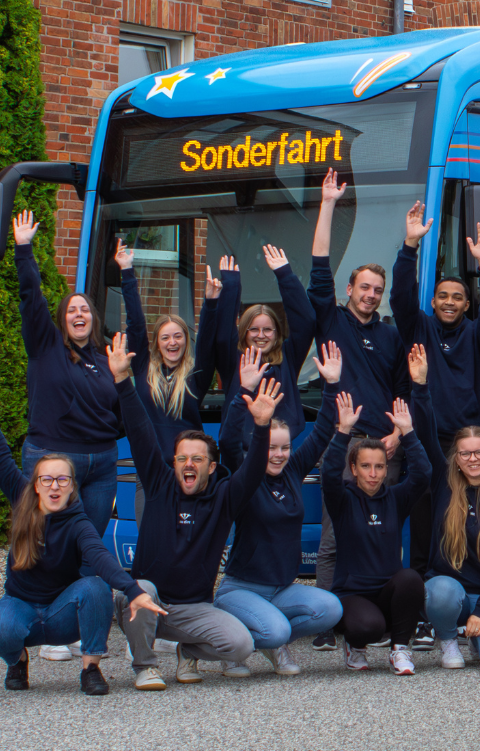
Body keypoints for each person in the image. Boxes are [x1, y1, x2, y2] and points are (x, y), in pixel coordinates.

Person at [0, 368, 164, 695]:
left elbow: (99, 555)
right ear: (36, 486)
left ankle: (90, 669)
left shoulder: (77, 521)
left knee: (94, 586)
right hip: (21, 605)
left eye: (62, 479)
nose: (54, 486)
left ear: (72, 486)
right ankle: (17, 660)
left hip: (63, 614)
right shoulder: (22, 500)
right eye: (47, 479)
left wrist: (133, 590)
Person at [107, 332, 277, 691]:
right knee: (141, 588)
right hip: (147, 598)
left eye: (197, 459)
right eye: (181, 457)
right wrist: (123, 381)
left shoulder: (225, 496)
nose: (188, 463)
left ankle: (189, 650)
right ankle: (146, 666)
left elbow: (253, 471)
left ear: (211, 467)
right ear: (173, 463)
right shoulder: (158, 482)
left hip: (191, 608)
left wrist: (261, 427)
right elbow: (139, 431)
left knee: (241, 644)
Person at [393, 201, 480, 649]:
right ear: (434, 301)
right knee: (425, 521)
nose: (448, 302)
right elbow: (400, 297)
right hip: (424, 441)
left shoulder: (476, 336)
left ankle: (473, 597)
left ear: (465, 304)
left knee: (467, 519)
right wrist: (409, 246)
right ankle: (426, 609)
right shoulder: (417, 326)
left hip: (466, 445)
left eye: (457, 297)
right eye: (442, 296)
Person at [12, 210, 122, 663]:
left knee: (85, 547)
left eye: (85, 309)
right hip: (54, 459)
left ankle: (75, 623)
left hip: (100, 466)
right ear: (61, 321)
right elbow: (30, 297)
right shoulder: (45, 346)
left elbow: (117, 410)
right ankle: (41, 629)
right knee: (41, 543)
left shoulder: (103, 358)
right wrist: (24, 250)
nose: (79, 313)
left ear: (94, 320)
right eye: (71, 310)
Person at [310, 169, 411, 649]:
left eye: (377, 289)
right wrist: (328, 203)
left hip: (381, 448)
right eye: (364, 287)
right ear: (349, 288)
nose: (370, 294)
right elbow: (318, 266)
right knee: (333, 540)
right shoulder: (330, 320)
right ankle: (328, 623)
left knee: (381, 540)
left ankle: (382, 618)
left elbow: (399, 390)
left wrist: (396, 435)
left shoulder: (390, 334)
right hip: (341, 443)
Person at [210, 344, 346, 677]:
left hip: (282, 588)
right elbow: (228, 441)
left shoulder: (292, 470)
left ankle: (265, 637)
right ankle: (234, 645)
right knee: (278, 631)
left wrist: (331, 385)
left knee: (329, 609)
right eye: (271, 447)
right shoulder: (246, 476)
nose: (279, 454)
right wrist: (243, 389)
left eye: (284, 447)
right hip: (242, 587)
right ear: (259, 446)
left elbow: (322, 432)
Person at [408, 345, 480, 671]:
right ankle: (447, 639)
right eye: (466, 453)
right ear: (456, 459)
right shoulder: (442, 485)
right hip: (450, 590)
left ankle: (476, 634)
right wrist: (420, 387)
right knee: (439, 593)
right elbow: (426, 435)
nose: (473, 459)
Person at [320, 393, 432, 675]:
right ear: (354, 469)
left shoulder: (397, 498)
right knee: (369, 628)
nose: (373, 473)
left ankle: (400, 650)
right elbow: (330, 474)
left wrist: (407, 433)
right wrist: (343, 431)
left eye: (379, 466)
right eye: (366, 466)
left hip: (387, 591)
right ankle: (355, 645)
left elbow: (423, 474)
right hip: (352, 594)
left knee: (410, 578)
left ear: (386, 469)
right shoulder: (342, 499)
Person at [115, 239, 221, 523]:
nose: (172, 342)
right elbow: (135, 324)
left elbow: (209, 344)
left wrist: (211, 303)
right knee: (150, 543)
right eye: (165, 337)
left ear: (186, 342)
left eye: (178, 336)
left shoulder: (195, 377)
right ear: (157, 343)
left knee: (188, 545)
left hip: (189, 473)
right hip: (150, 473)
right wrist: (127, 271)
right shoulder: (143, 370)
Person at [214, 245, 317, 463]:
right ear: (244, 332)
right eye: (254, 329)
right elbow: (222, 334)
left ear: (277, 333)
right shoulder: (234, 359)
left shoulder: (288, 357)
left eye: (268, 329)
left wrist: (284, 275)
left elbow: (306, 321)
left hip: (280, 453)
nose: (261, 335)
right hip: (241, 456)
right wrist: (231, 285)